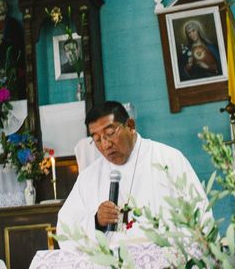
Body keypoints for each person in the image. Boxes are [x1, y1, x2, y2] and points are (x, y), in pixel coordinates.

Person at [57, 101, 209, 248]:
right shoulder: (88, 178)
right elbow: (64, 231)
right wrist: (96, 221)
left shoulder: (168, 160)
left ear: (130, 126)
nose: (105, 145)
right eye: (97, 140)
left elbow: (200, 216)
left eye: (110, 134)